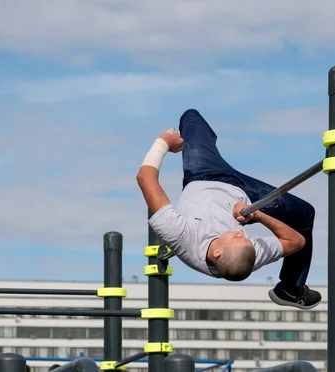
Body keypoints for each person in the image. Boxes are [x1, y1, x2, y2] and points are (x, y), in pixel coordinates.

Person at [136, 109, 322, 310]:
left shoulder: (180, 234)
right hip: (245, 193)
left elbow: (145, 177)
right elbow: (296, 241)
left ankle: (195, 141)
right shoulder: (248, 255)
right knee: (305, 214)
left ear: (217, 252)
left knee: (191, 118)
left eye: (236, 237)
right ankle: (291, 289)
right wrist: (258, 215)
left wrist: (163, 142)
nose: (241, 232)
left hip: (202, 174)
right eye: (245, 237)